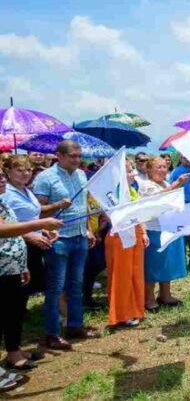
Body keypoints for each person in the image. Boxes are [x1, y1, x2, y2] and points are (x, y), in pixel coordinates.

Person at [32, 140, 98, 350]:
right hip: (58, 239)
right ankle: (52, 333)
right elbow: (38, 212)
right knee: (55, 288)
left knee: (76, 285)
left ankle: (75, 325)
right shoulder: (45, 178)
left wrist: (88, 228)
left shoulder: (80, 175)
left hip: (79, 236)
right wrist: (58, 205)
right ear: (59, 155)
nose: (77, 160)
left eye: (79, 156)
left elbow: (83, 205)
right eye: (73, 156)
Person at [0, 172, 62, 375]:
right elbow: (3, 230)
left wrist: (22, 264)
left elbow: (15, 231)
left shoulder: (2, 202)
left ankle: (13, 352)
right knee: (6, 313)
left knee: (15, 312)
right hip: (2, 269)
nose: (2, 180)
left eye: (2, 176)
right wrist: (41, 224)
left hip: (13, 267)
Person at [3, 156, 57, 312]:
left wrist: (45, 231)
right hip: (14, 245)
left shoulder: (27, 190)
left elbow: (33, 215)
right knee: (17, 286)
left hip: (35, 243)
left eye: (28, 170)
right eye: (19, 170)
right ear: (8, 171)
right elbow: (5, 225)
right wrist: (28, 235)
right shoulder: (5, 193)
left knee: (29, 282)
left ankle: (20, 314)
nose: (25, 173)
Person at [138, 157, 189, 311]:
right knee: (153, 266)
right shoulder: (146, 185)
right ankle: (149, 298)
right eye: (158, 167)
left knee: (167, 264)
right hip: (153, 230)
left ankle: (165, 295)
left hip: (169, 228)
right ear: (149, 169)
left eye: (164, 167)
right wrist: (177, 184)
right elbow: (158, 199)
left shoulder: (166, 183)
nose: (162, 170)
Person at [104, 158, 149, 328]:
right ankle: (122, 313)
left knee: (135, 274)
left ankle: (136, 309)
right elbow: (111, 216)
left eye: (133, 170)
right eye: (130, 171)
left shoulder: (131, 190)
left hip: (135, 233)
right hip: (120, 236)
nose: (134, 174)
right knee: (122, 276)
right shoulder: (112, 193)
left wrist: (143, 232)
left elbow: (139, 213)